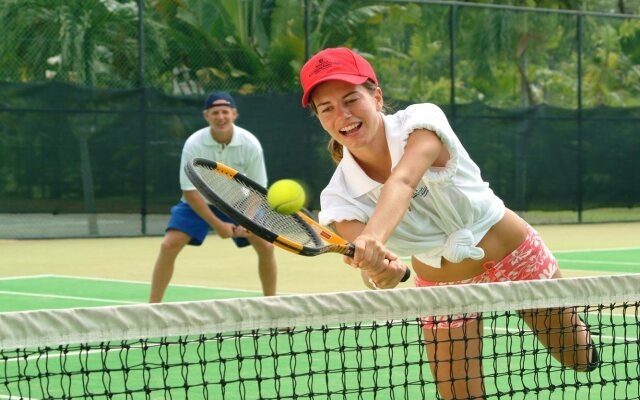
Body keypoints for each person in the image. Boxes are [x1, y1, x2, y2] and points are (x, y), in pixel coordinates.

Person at [299, 47, 598, 399]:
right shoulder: (338, 200)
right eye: (327, 108)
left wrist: (375, 239)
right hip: (444, 288)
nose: (343, 115)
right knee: (458, 395)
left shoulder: (421, 122)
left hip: (516, 255)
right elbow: (366, 257)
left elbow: (404, 182)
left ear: (377, 97)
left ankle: (581, 347)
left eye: (351, 99)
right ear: (319, 118)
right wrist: (380, 271)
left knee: (577, 358)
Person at [149, 91, 278, 303]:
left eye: (225, 112)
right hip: (199, 202)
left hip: (241, 203)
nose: (221, 117)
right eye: (215, 112)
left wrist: (247, 219)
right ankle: (152, 309)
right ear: (206, 116)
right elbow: (189, 191)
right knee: (168, 245)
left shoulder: (250, 144)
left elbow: (258, 189)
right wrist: (217, 224)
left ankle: (272, 307)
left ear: (234, 114)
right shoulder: (194, 144)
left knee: (266, 246)